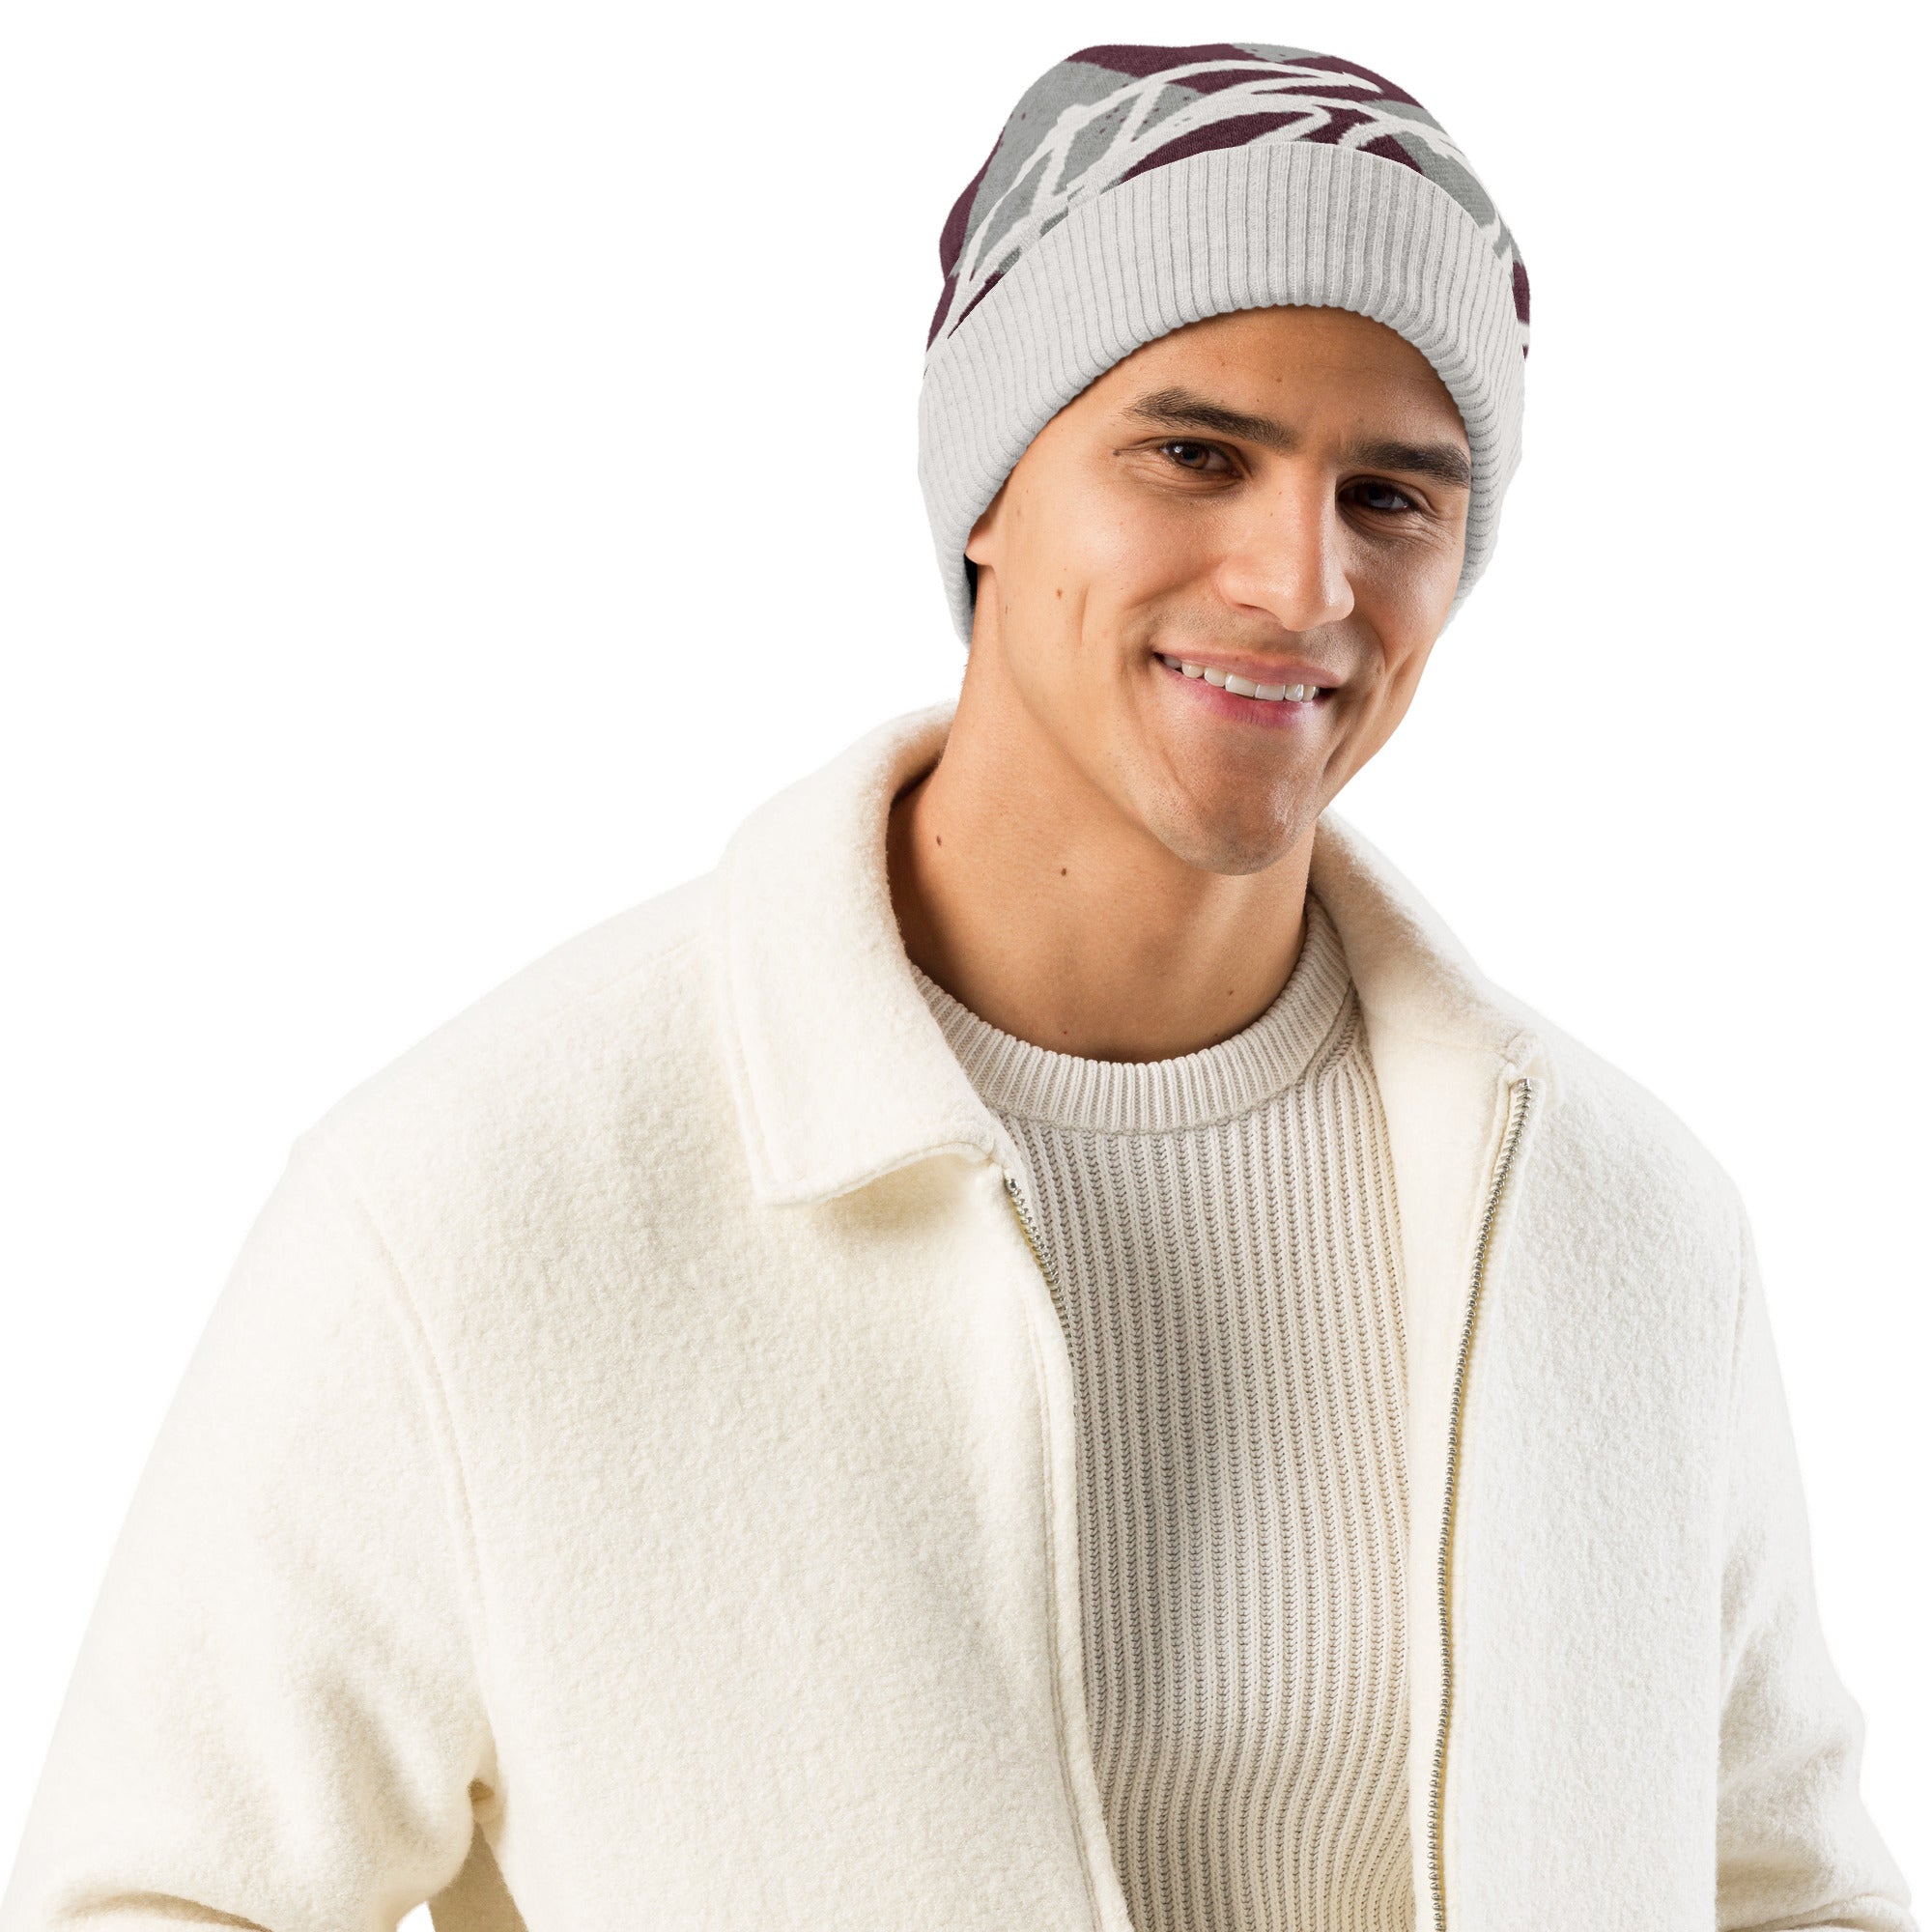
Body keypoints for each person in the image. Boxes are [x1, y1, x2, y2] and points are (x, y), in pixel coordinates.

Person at [1, 40, 1915, 1932]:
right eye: (1195, 454)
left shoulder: (1618, 1221)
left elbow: (1790, 1896)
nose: (1301, 582)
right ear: (990, 489)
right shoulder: (483, 1204)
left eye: (1392, 497)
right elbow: (156, 1897)